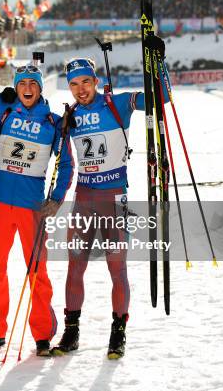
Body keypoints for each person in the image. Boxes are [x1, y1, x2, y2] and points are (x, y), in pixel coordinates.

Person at [0, 26, 74, 357]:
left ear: (39, 89)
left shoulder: (53, 122)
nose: (26, 88)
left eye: (32, 85)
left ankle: (41, 334)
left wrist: (56, 198)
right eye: (22, 83)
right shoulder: (4, 111)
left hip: (31, 208)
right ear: (16, 86)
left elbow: (66, 164)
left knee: (37, 271)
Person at [51, 57, 167, 360]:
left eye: (85, 82)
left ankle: (118, 333)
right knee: (75, 266)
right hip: (84, 199)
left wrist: (159, 62)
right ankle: (71, 331)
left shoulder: (118, 104)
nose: (80, 89)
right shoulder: (70, 115)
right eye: (74, 84)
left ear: (96, 81)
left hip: (115, 197)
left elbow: (163, 96)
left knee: (118, 268)